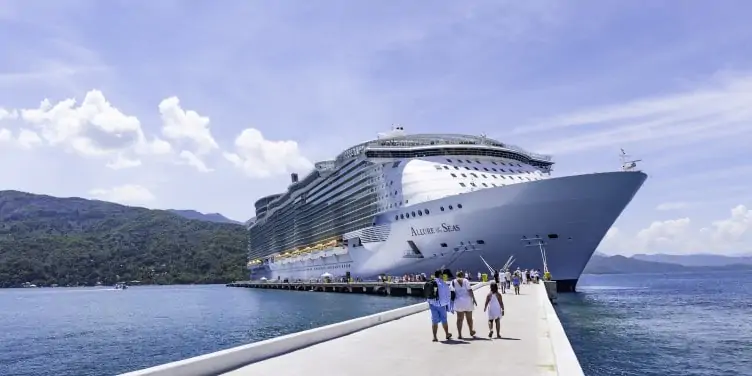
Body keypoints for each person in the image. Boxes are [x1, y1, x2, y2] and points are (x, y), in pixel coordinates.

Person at [424, 269, 453, 342]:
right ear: (440, 275)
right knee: (444, 320)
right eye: (442, 274)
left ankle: (434, 337)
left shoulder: (431, 282)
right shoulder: (443, 284)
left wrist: (430, 302)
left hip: (432, 304)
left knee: (434, 321)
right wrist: (448, 306)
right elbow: (448, 296)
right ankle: (447, 334)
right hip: (441, 305)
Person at [451, 271, 477, 339]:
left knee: (459, 319)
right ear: (462, 275)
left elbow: (451, 291)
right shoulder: (466, 280)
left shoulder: (453, 282)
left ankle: (459, 334)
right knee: (469, 318)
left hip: (458, 301)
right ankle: (471, 331)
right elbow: (470, 290)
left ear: (456, 275)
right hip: (467, 301)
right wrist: (474, 299)